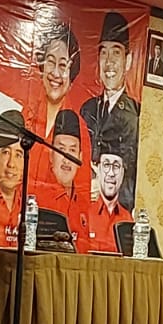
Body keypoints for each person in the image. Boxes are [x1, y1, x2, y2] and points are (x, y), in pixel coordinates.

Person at [26, 23, 92, 209]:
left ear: (72, 77)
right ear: (41, 66)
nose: (55, 73)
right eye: (50, 62)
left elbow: (82, 194)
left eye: (63, 65)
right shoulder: (26, 116)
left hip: (58, 220)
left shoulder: (79, 128)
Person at [80, 11, 140, 212]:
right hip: (85, 207)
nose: (109, 62)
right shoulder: (87, 109)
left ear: (128, 61)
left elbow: (132, 174)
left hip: (116, 211)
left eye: (116, 53)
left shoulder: (136, 113)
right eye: (103, 53)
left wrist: (106, 188)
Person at [37, 108, 91, 252]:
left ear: (80, 157)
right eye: (61, 150)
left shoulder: (86, 205)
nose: (67, 159)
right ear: (51, 155)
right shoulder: (38, 202)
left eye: (72, 150)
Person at [90, 129, 134, 253]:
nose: (111, 173)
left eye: (116, 166)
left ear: (123, 173)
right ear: (97, 169)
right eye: (106, 165)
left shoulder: (127, 220)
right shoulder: (85, 214)